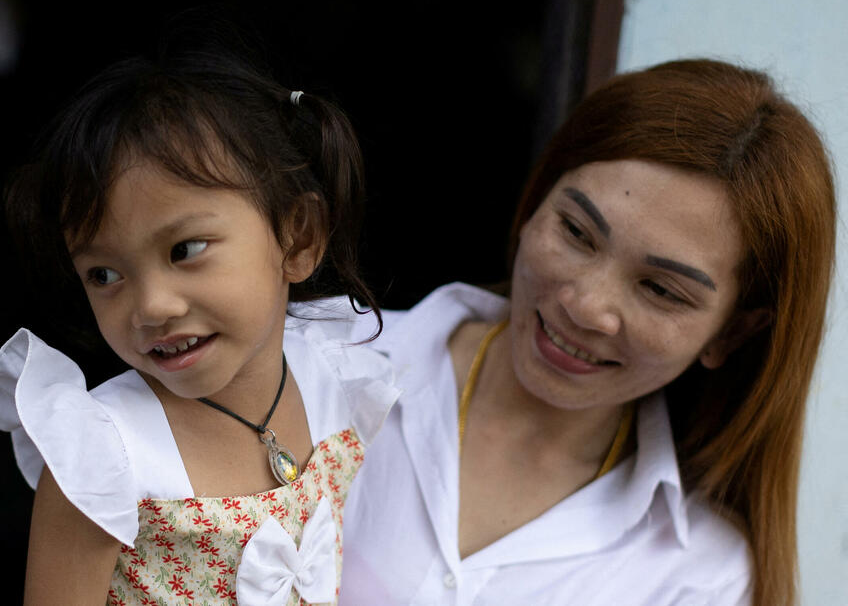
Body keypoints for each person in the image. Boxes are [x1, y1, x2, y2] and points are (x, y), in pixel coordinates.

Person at [339, 59, 836, 606]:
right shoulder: (317, 366)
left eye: (662, 290)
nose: (585, 306)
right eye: (576, 232)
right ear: (536, 201)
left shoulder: (701, 575)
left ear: (732, 334)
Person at [0, 33, 399, 604]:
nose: (152, 306)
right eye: (104, 275)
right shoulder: (104, 454)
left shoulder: (335, 380)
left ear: (298, 237)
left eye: (185, 250)